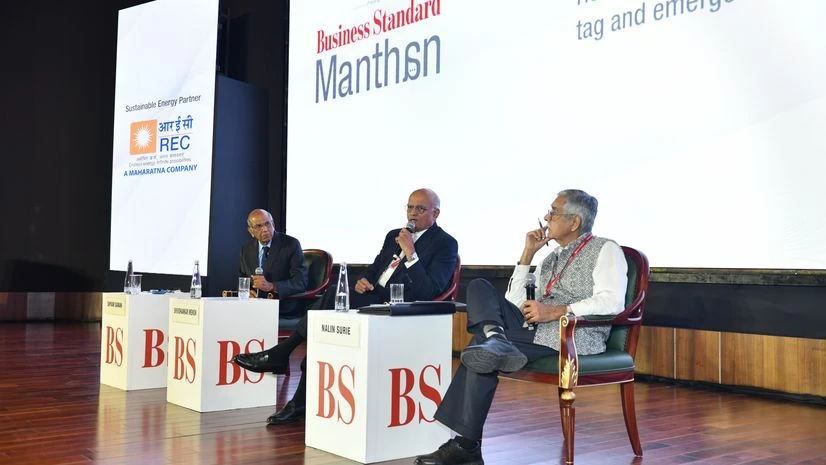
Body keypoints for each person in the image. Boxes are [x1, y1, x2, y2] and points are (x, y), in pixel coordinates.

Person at [414, 189, 627, 465]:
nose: (547, 218)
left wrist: (558, 311)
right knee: (479, 287)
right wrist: (527, 254)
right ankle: (495, 337)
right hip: (532, 328)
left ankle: (467, 445)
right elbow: (513, 302)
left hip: (570, 334)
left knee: (482, 348)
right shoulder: (551, 258)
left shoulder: (606, 248)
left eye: (553, 212)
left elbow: (612, 301)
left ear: (574, 222)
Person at [233, 188, 459, 425]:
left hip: (404, 307)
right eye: (409, 207)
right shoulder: (394, 234)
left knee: (329, 304)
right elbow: (376, 268)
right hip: (376, 296)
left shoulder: (445, 243)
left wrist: (411, 254)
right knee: (332, 302)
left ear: (436, 213)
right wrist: (364, 280)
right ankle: (295, 393)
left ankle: (283, 356)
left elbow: (430, 290)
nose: (412, 214)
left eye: (420, 209)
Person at [239, 209, 308, 316]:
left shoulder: (290, 244)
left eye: (267, 224)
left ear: (273, 224)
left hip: (282, 307)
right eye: (258, 226)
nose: (265, 229)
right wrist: (247, 292)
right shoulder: (246, 250)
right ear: (251, 231)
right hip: (252, 308)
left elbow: (301, 282)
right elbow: (242, 278)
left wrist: (272, 286)